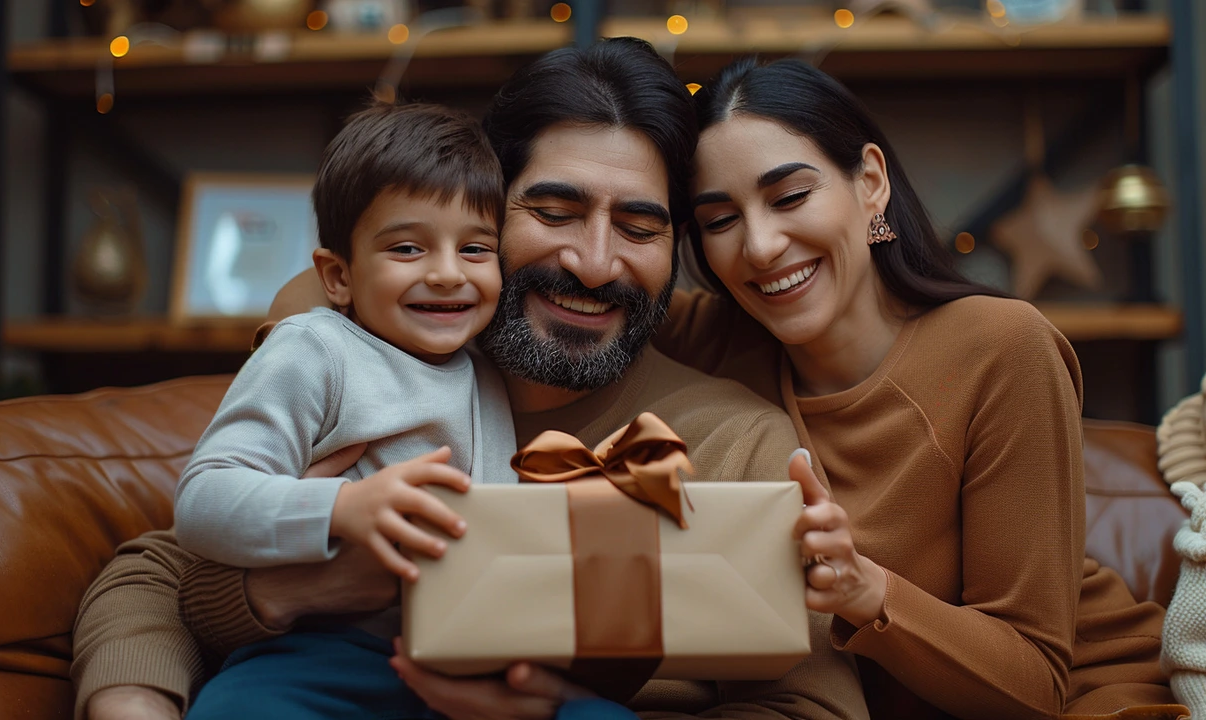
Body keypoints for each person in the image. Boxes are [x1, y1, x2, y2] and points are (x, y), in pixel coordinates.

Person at [73, 38, 871, 720]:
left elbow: (813, 708)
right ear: (483, 211)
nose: (594, 264)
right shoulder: (387, 364)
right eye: (554, 213)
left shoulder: (735, 441)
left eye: (639, 226)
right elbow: (162, 563)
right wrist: (286, 600)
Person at [652, 58, 1178, 719]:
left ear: (870, 183)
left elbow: (1037, 680)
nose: (759, 246)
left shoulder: (1000, 348)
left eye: (789, 198)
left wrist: (866, 591)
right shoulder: (713, 341)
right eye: (720, 219)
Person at [171, 102, 526, 719]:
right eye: (408, 248)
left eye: (475, 249)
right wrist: (341, 507)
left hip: (466, 656)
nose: (447, 274)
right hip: (322, 649)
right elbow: (202, 501)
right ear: (338, 276)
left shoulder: (488, 369)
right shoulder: (315, 348)